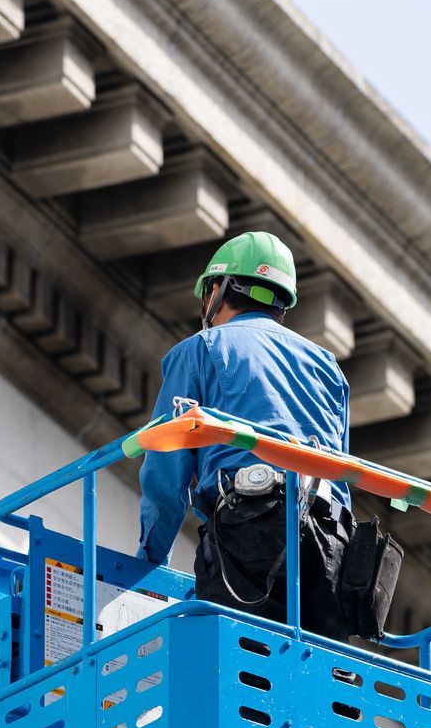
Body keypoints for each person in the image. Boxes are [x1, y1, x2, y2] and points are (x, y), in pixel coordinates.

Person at [137, 231, 354, 639]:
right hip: (331, 546)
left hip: (249, 534)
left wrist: (149, 559)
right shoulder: (329, 367)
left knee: (237, 667)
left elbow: (166, 471)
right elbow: (341, 477)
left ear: (218, 290)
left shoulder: (202, 348)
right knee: (323, 683)